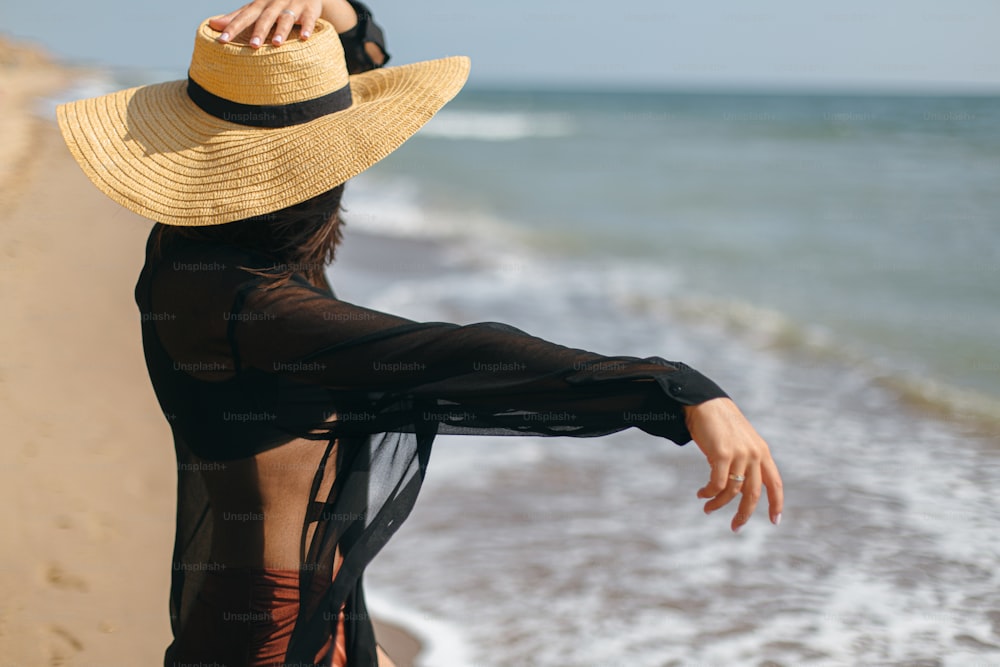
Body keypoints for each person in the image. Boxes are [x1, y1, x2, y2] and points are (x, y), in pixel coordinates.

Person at [56, 1, 783, 665]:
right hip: (268, 636)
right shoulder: (247, 302)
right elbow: (459, 356)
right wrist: (677, 392)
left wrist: (338, 14)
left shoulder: (209, 238)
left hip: (297, 602)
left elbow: (357, 65)